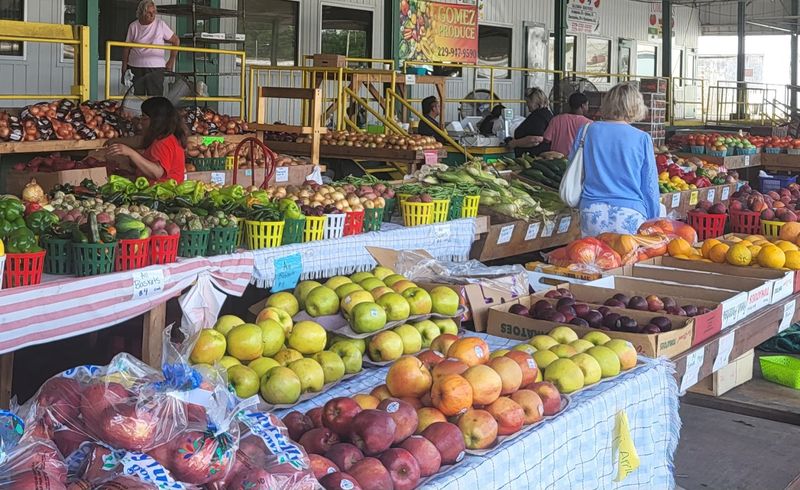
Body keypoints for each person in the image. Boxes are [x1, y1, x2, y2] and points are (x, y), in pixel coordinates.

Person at [573, 82, 659, 237]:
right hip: (630, 212)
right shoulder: (642, 138)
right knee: (627, 259)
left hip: (592, 210)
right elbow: (649, 185)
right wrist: (654, 218)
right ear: (636, 106)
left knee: (594, 259)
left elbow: (574, 168)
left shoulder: (587, 131)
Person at [106, 97, 187, 183]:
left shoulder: (163, 142)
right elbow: (140, 142)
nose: (141, 122)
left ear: (156, 120)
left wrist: (131, 153)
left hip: (161, 193)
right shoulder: (166, 137)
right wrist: (116, 142)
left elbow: (157, 173)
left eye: (144, 118)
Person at [122, 0, 180, 96]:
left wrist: (171, 60)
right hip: (135, 67)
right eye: (149, 13)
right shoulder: (133, 26)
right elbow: (126, 48)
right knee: (136, 99)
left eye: (154, 12)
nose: (152, 15)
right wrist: (124, 67)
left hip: (155, 68)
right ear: (142, 13)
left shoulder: (160, 24)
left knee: (155, 99)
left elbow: (176, 40)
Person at [543, 92, 593, 156]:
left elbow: (547, 140)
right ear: (583, 106)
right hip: (576, 161)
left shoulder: (556, 119)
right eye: (587, 105)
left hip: (555, 160)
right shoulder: (589, 123)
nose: (587, 108)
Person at [507, 87, 553, 157]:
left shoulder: (538, 117)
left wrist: (515, 143)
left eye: (528, 102)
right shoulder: (546, 114)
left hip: (533, 158)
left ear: (536, 102)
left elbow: (535, 139)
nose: (526, 105)